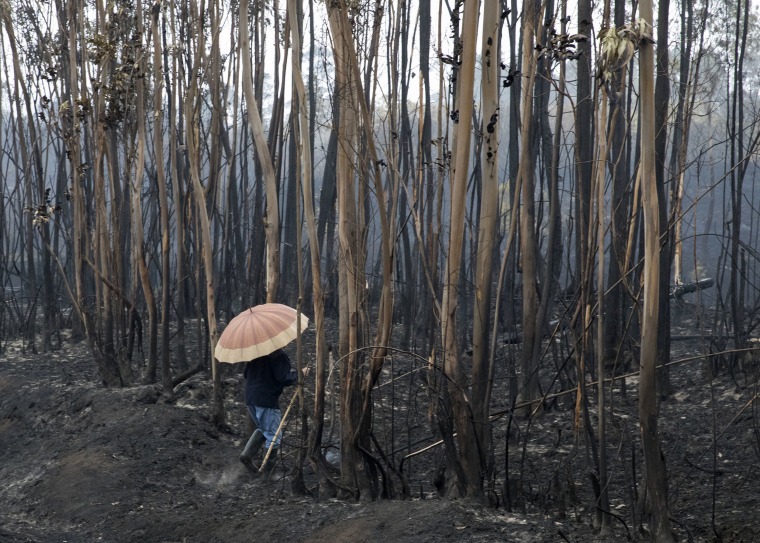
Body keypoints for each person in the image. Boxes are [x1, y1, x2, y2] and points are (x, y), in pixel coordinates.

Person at [239, 348, 301, 473]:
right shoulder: (277, 354)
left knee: (264, 429)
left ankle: (247, 455)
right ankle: (267, 475)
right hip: (266, 400)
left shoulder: (256, 352)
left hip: (251, 398)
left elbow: (246, 374)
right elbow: (284, 378)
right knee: (274, 436)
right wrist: (300, 374)